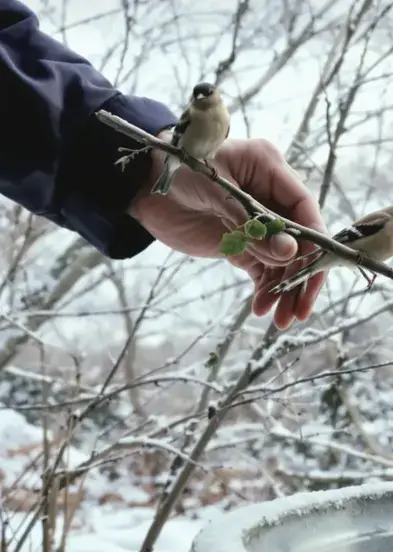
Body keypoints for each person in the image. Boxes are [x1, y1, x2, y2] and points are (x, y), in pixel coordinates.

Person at [0, 0, 328, 330]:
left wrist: (139, 178)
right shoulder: (191, 116)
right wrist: (149, 164)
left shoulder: (221, 117)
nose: (200, 101)